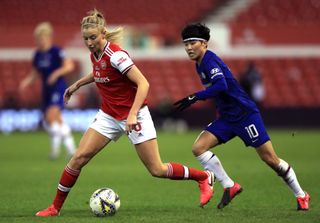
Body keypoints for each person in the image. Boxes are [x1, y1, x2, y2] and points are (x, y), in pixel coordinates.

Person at [35, 10, 214, 217]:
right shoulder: (96, 53)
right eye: (86, 39)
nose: (89, 42)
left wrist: (132, 114)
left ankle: (202, 177)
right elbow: (100, 72)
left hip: (134, 115)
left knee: (157, 169)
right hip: (108, 115)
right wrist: (76, 84)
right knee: (78, 158)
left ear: (103, 34)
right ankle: (55, 208)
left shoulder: (116, 55)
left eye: (93, 37)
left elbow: (143, 83)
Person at [174, 23, 310, 211]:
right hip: (227, 118)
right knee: (199, 148)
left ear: (204, 44)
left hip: (245, 115)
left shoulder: (209, 61)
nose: (188, 47)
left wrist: (196, 96)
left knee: (271, 159)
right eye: (185, 44)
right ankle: (230, 185)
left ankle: (301, 195)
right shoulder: (199, 64)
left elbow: (221, 85)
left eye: (192, 43)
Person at [19, 22, 76, 160]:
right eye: (38, 38)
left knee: (51, 116)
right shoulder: (37, 54)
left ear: (48, 37)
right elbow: (35, 73)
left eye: (42, 38)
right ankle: (71, 149)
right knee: (53, 120)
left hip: (58, 87)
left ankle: (56, 151)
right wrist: (26, 82)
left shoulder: (57, 51)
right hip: (46, 90)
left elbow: (69, 66)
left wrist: (56, 74)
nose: (40, 41)